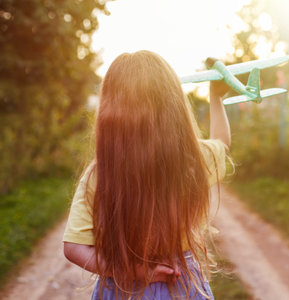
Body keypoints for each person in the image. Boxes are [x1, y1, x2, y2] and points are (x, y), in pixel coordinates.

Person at [63, 50, 231, 299]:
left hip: (122, 289)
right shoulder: (192, 161)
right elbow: (222, 142)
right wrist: (216, 97)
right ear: (173, 108)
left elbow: (74, 248)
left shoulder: (100, 174)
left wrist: (132, 271)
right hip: (181, 287)